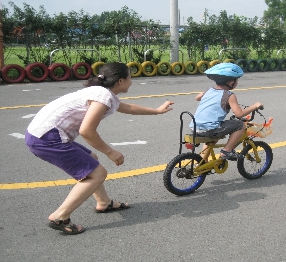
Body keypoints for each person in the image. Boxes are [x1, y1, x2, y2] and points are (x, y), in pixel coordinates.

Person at [25, 62, 174, 235]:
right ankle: (60, 216)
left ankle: (103, 202)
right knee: (98, 173)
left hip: (42, 134)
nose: (131, 81)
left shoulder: (102, 93)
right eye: (130, 78)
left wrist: (156, 111)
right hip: (47, 138)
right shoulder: (102, 96)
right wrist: (111, 152)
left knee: (92, 160)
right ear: (120, 81)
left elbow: (128, 108)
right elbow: (87, 131)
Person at [190, 63, 262, 161]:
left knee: (214, 137)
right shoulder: (229, 95)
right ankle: (226, 151)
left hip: (195, 127)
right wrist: (254, 106)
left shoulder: (209, 90)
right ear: (231, 82)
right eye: (236, 80)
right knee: (240, 125)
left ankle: (202, 162)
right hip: (210, 129)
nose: (237, 83)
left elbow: (197, 98)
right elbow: (239, 114)